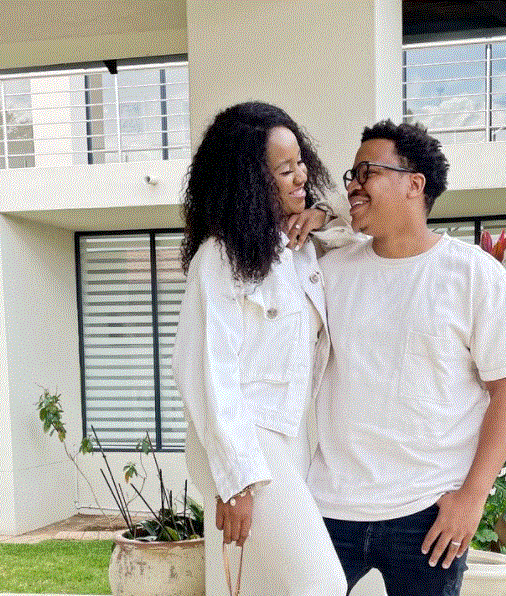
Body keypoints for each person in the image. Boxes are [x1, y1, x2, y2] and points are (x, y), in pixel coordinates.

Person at [307, 120, 506, 596]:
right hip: (329, 507)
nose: (353, 185)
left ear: (414, 185)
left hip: (427, 513)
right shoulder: (328, 273)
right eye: (351, 175)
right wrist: (316, 217)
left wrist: (472, 498)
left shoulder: (474, 275)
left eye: (367, 172)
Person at [172, 101, 347, 596]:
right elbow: (208, 371)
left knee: (259, 587)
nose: (302, 176)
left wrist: (321, 213)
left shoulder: (298, 248)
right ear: (249, 181)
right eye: (285, 170)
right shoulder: (221, 256)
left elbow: (362, 224)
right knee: (323, 585)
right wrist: (237, 480)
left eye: (301, 162)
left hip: (291, 438)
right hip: (248, 438)